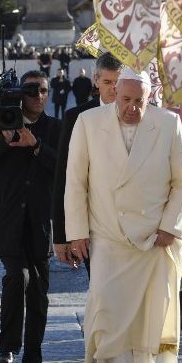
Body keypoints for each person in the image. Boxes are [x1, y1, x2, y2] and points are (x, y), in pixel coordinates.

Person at [64, 67, 182, 363]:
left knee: (143, 311)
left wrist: (171, 226)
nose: (132, 107)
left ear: (149, 99)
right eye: (125, 100)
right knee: (106, 306)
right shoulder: (89, 123)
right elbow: (75, 182)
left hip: (152, 236)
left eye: (139, 101)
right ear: (113, 95)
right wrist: (76, 232)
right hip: (106, 232)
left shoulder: (168, 124)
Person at [0, 70, 61, 363]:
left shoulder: (56, 128)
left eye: (43, 90)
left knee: (38, 293)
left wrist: (36, 146)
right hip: (5, 220)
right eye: (31, 90)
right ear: (20, 93)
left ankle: (32, 361)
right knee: (18, 276)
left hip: (40, 224)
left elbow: (65, 169)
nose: (38, 96)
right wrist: (3, 141)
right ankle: (7, 346)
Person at [53, 53, 121, 271]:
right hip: (93, 228)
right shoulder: (76, 117)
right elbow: (64, 177)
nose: (113, 89)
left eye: (118, 83)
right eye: (107, 82)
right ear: (96, 80)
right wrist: (63, 236)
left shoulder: (143, 116)